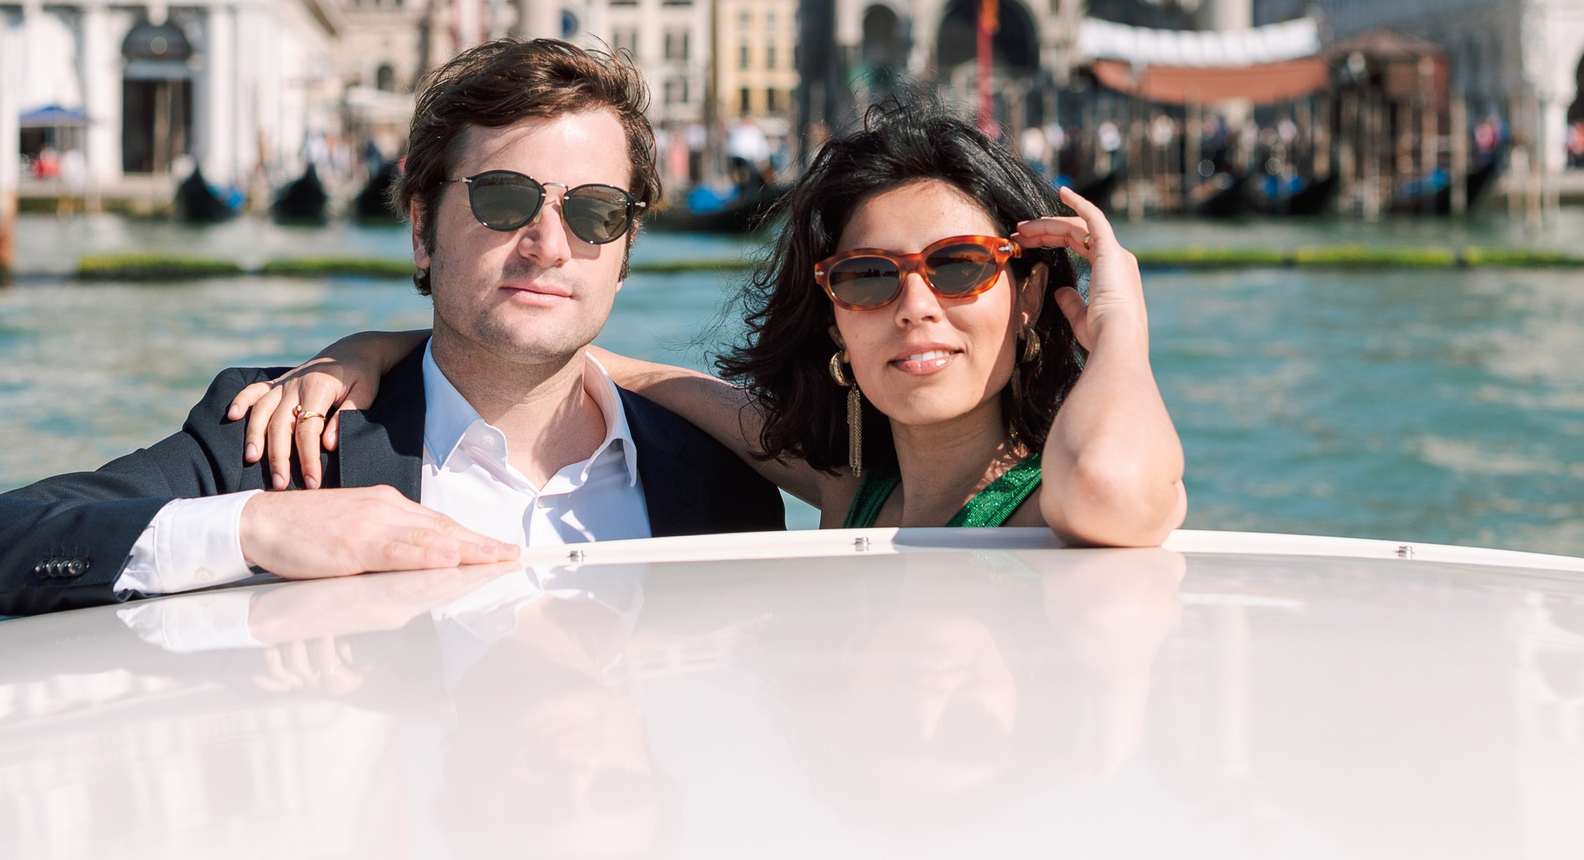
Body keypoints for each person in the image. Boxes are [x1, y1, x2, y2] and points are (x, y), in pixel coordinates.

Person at [0, 39, 785, 628]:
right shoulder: (285, 441)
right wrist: (257, 531)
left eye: (594, 212)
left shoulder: (715, 484)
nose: (550, 243)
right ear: (419, 228)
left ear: (624, 250)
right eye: (505, 197)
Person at [246, 104, 1183, 540]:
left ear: (1026, 298)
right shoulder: (854, 486)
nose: (915, 307)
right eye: (866, 278)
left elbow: (1113, 483)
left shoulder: (1049, 488)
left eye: (960, 267)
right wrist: (384, 349)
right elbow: (632, 374)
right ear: (836, 325)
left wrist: (1121, 323)